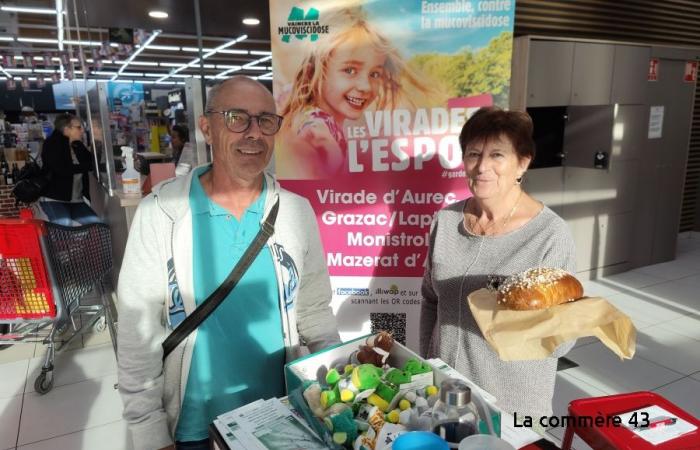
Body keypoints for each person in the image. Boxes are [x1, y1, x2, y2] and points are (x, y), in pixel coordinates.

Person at [117, 76, 341, 450]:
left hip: (280, 418)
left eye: (265, 120)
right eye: (237, 118)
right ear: (207, 127)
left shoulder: (295, 212)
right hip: (194, 429)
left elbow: (314, 311)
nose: (254, 133)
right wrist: (149, 432)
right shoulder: (162, 213)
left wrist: (334, 388)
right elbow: (136, 332)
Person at [420, 107, 576, 424]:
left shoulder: (550, 234)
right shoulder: (446, 221)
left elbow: (562, 341)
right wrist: (428, 364)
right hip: (445, 394)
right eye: (474, 153)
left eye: (497, 155)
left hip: (512, 404)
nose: (482, 167)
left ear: (523, 161)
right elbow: (430, 299)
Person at [278, 6, 439, 179]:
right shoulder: (318, 127)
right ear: (313, 73)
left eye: (375, 74)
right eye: (350, 70)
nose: (366, 86)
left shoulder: (305, 114)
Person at [38, 113, 100, 226]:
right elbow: (62, 169)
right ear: (66, 129)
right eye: (78, 127)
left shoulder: (77, 145)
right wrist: (89, 166)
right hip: (54, 199)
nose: (82, 131)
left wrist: (99, 141)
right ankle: (66, 244)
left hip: (76, 200)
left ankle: (78, 244)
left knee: (96, 224)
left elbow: (93, 162)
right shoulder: (52, 144)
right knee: (64, 225)